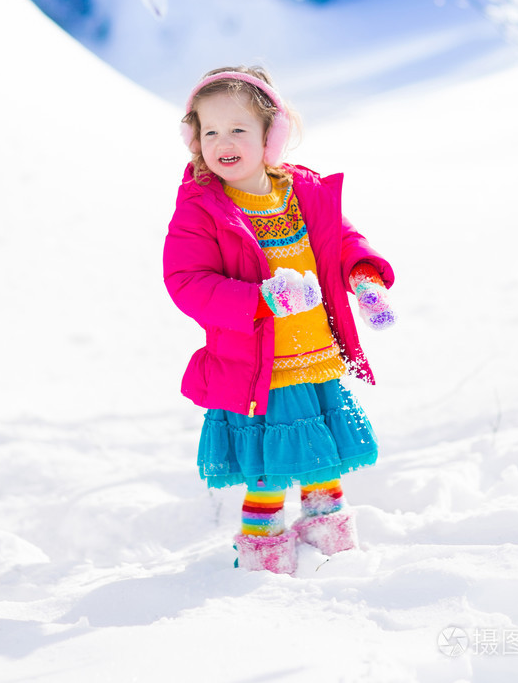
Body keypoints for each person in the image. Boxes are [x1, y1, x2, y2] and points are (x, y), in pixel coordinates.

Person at [163, 65, 396, 575]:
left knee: (322, 461)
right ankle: (264, 560)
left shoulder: (301, 191)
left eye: (238, 129)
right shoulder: (203, 209)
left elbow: (342, 242)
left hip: (314, 357)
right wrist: (261, 300)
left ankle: (331, 542)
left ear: (272, 135)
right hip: (257, 369)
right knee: (268, 470)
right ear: (193, 139)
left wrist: (364, 278)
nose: (223, 141)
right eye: (210, 131)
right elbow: (187, 281)